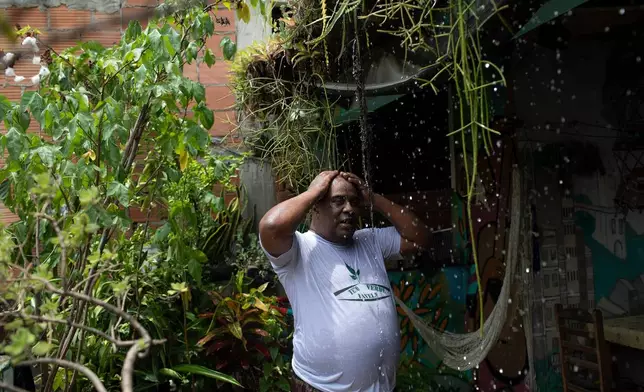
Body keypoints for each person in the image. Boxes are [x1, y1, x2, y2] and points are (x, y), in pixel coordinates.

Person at [259, 170, 429, 392]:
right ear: (316, 205)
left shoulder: (370, 241)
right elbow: (271, 226)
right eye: (338, 201)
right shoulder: (299, 249)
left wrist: (374, 200)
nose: (349, 209)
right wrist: (312, 192)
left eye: (354, 202)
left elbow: (421, 237)